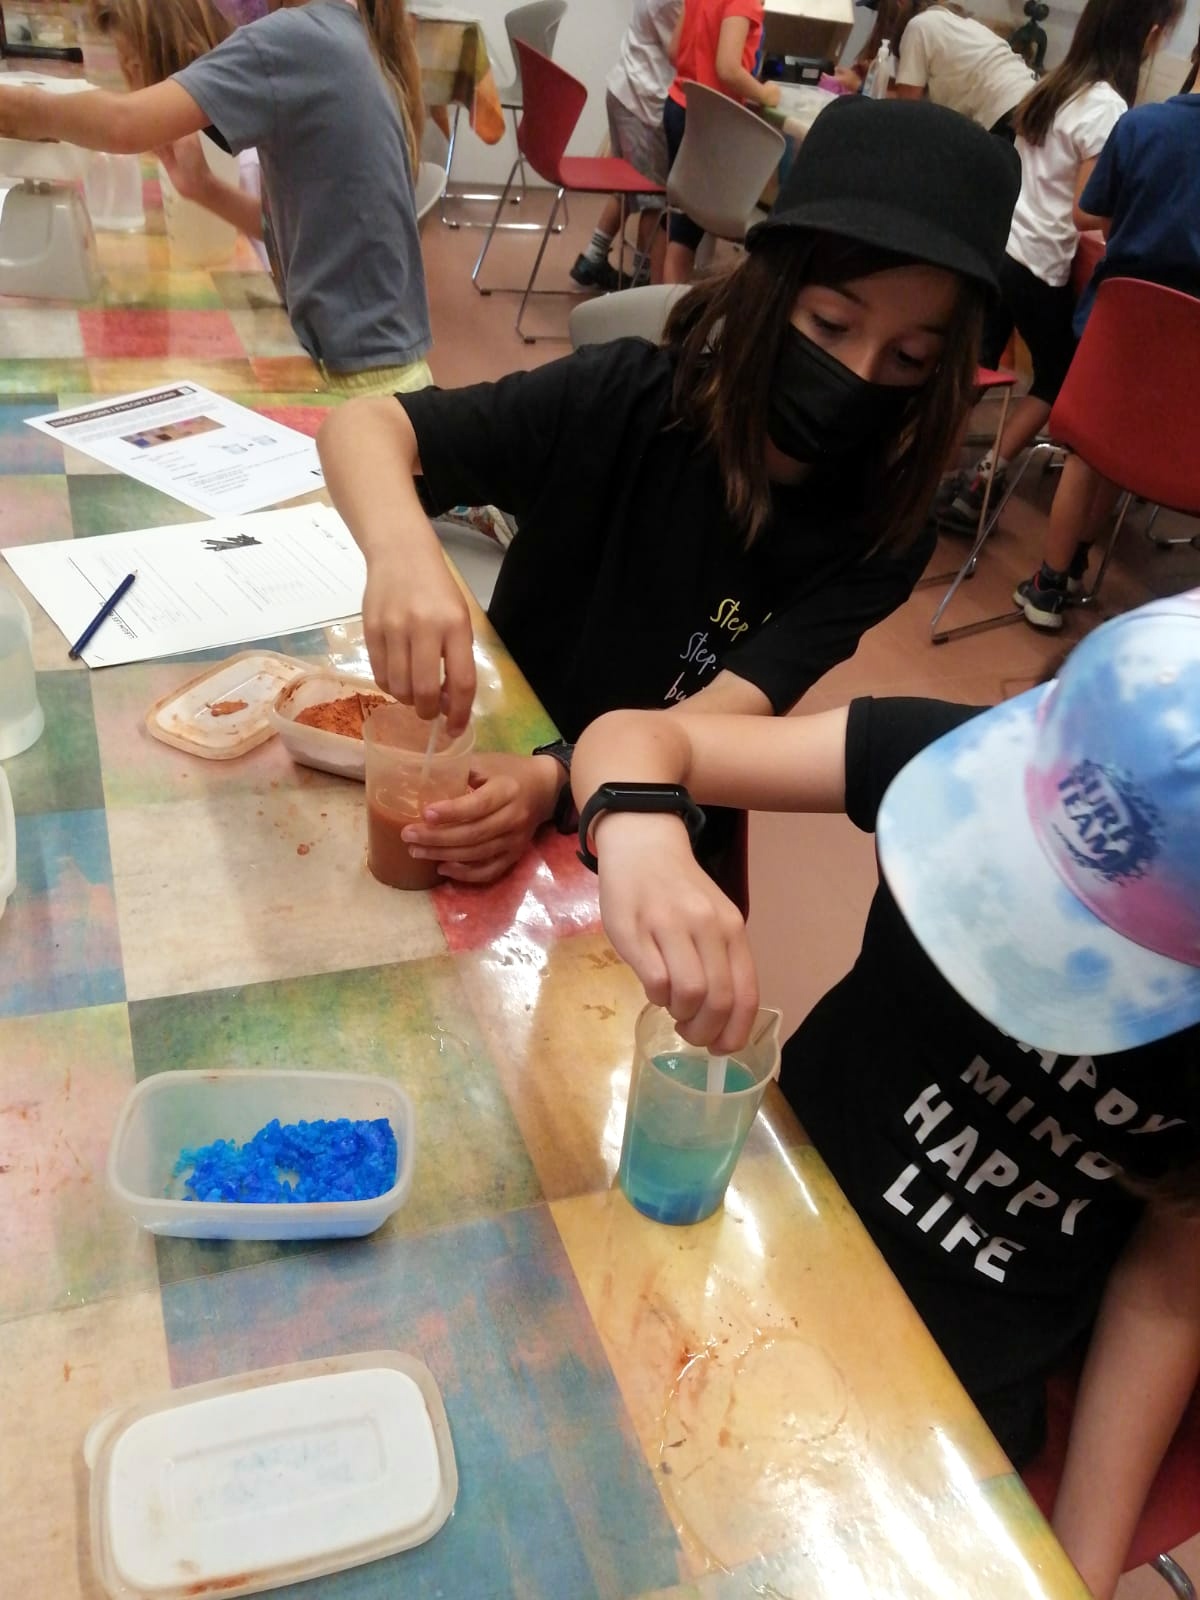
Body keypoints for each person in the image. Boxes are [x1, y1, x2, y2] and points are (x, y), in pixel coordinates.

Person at [570, 588, 1200, 1600]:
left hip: (944, 1384)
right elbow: (640, 739)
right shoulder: (962, 761)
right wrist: (641, 832)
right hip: (751, 1217)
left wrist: (1076, 1569)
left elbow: (1169, 1290)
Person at [316, 98, 1018, 888]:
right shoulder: (627, 400)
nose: (858, 375)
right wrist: (404, 555)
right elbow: (363, 429)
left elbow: (724, 710)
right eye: (829, 324)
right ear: (772, 292)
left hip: (652, 815)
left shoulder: (886, 532)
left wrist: (554, 777)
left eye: (909, 359)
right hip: (497, 742)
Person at [0, 0, 432, 397]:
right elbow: (300, 234)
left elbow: (124, 124)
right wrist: (203, 187)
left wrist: (25, 108)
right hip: (389, 374)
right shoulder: (347, 29)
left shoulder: (296, 38)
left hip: (360, 387)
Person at [939, 0, 1183, 532]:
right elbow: (1085, 210)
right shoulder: (1107, 107)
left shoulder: (1054, 85)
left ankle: (935, 473)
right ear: (1149, 37)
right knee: (1060, 379)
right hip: (1038, 264)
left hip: (1003, 244)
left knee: (973, 367)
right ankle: (984, 477)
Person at [1014, 26, 1200, 629]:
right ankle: (1080, 559)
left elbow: (1089, 212)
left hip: (1120, 325)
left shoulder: (1143, 126)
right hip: (1189, 368)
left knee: (1089, 448)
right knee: (1127, 448)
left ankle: (1048, 583)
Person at [661, 0, 781, 285]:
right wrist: (764, 93)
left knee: (682, 226)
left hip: (679, 106)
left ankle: (666, 304)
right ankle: (673, 309)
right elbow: (727, 68)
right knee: (687, 237)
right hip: (710, 120)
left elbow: (674, 51)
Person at [570, 0, 682, 294]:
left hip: (627, 89)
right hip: (645, 100)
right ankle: (645, 286)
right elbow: (683, 51)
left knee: (629, 187)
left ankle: (593, 257)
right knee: (655, 199)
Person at [887, 0, 1037, 138]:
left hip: (1004, 109)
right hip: (1034, 97)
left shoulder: (917, 26)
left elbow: (906, 111)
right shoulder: (965, 24)